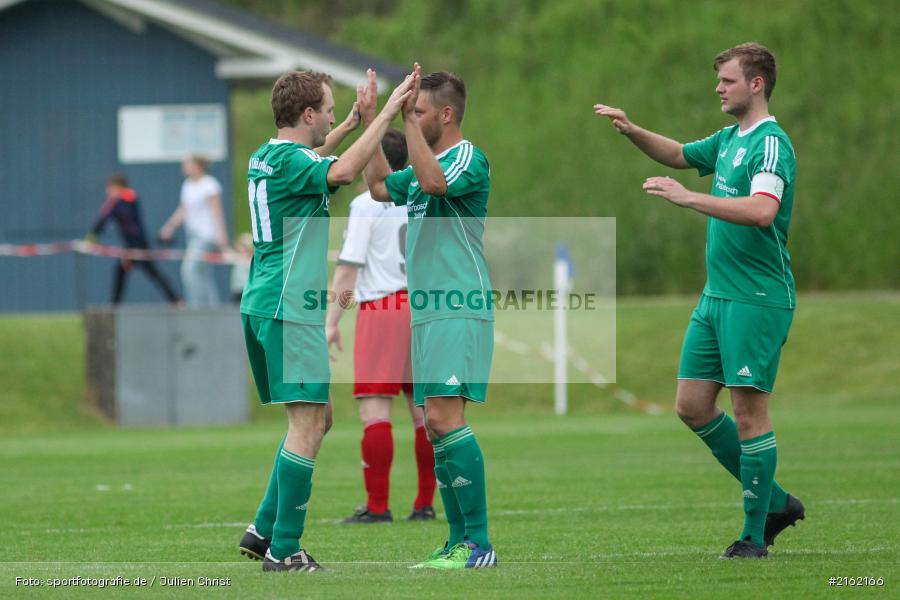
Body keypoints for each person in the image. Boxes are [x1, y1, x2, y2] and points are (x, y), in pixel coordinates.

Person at [594, 43, 804, 559]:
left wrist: (690, 199)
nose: (718, 88)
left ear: (756, 84)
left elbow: (760, 210)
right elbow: (681, 155)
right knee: (691, 406)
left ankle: (755, 536)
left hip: (757, 298)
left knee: (749, 413)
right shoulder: (730, 138)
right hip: (715, 297)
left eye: (728, 80)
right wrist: (632, 129)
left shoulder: (771, 145)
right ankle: (775, 500)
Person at [236, 69, 415, 572]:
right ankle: (285, 548)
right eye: (331, 109)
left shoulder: (269, 155)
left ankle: (263, 528)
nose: (336, 115)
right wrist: (382, 115)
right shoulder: (297, 162)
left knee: (320, 417)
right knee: (309, 421)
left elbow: (317, 160)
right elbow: (336, 173)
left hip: (265, 301)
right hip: (287, 305)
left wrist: (355, 123)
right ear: (307, 114)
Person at [361, 65, 497, 569]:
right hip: (428, 311)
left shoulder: (468, 158)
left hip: (458, 303)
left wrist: (409, 126)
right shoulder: (421, 163)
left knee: (443, 418)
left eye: (417, 111)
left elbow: (435, 183)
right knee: (436, 427)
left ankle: (479, 544)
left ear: (445, 114)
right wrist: (374, 120)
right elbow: (377, 186)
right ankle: (459, 542)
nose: (410, 119)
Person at [326, 129, 437, 525]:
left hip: (382, 309)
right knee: (424, 412)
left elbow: (347, 271)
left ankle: (377, 507)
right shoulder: (421, 197)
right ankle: (425, 504)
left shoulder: (365, 205)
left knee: (376, 411)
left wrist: (331, 321)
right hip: (422, 308)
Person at [88, 174, 181, 305]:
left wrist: (91, 238)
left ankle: (176, 300)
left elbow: (102, 221)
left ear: (116, 187)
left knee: (150, 273)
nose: (107, 192)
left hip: (135, 246)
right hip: (136, 244)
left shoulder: (117, 203)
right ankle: (175, 300)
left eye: (109, 188)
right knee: (125, 273)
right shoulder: (131, 199)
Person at [159, 156, 228, 306]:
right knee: (203, 272)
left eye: (188, 164)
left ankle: (196, 306)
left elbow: (217, 211)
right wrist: (169, 227)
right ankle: (212, 307)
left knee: (189, 269)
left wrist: (222, 236)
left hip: (206, 235)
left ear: (197, 166)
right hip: (193, 235)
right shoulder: (187, 185)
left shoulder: (210, 185)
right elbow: (183, 210)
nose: (184, 167)